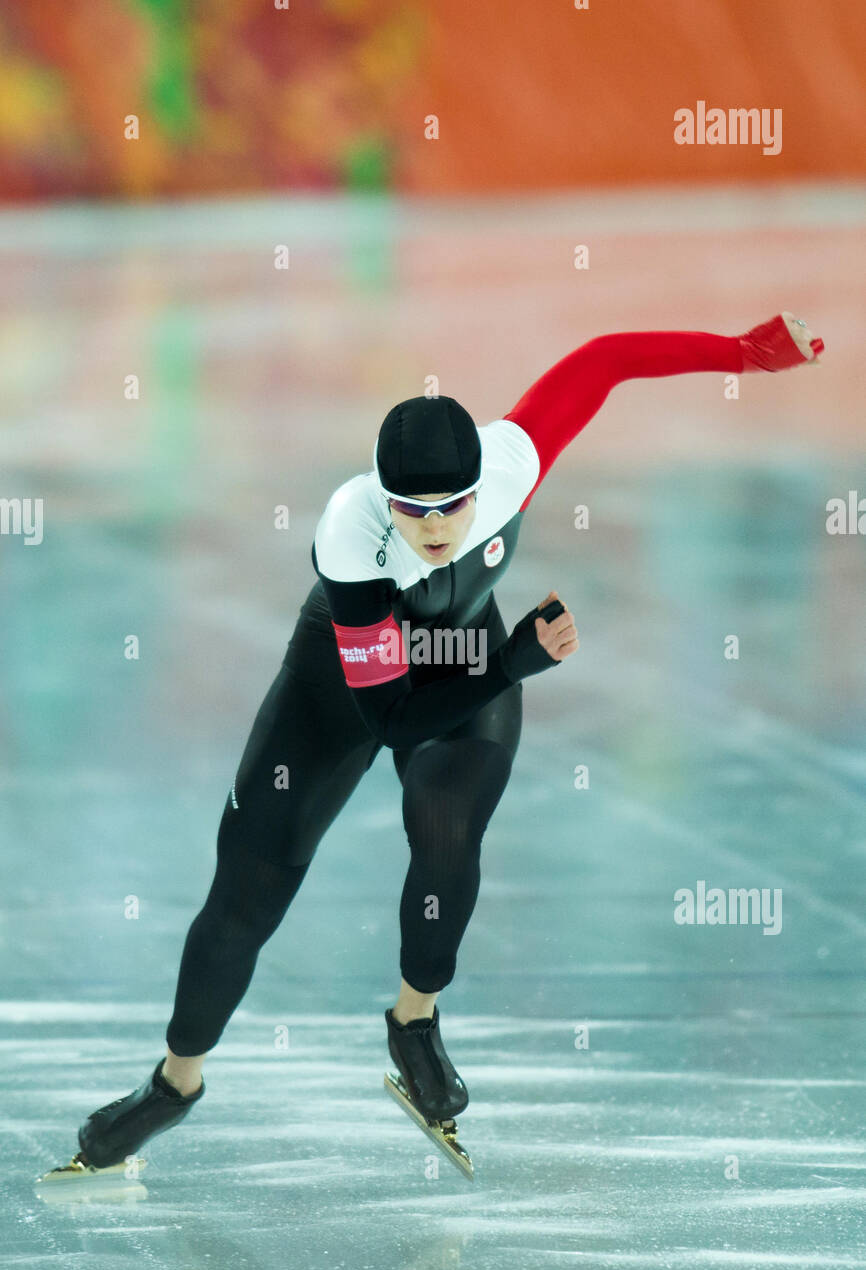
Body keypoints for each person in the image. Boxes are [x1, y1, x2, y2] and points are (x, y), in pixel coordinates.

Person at [57, 310, 823, 1174]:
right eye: (412, 509)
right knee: (246, 892)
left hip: (466, 657)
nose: (433, 525)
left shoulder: (512, 462)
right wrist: (510, 665)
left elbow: (604, 359)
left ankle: (413, 1020)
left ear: (480, 485)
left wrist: (743, 354)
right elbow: (387, 719)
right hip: (351, 688)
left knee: (447, 825)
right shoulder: (353, 535)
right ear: (383, 496)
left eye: (452, 506)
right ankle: (174, 1084)